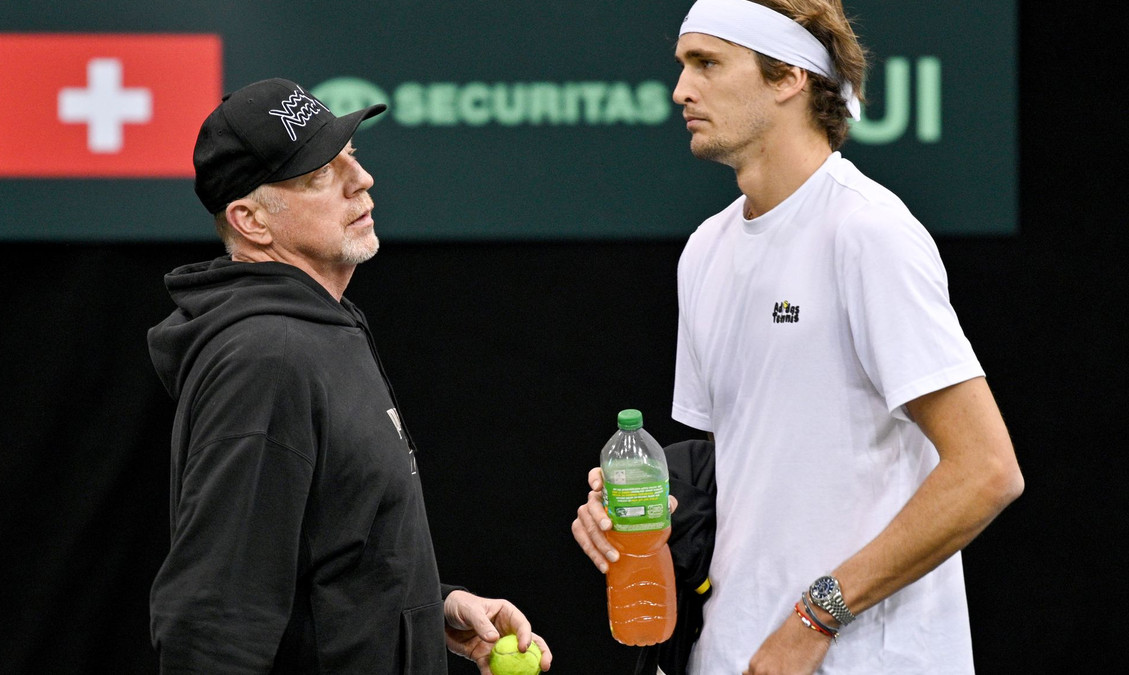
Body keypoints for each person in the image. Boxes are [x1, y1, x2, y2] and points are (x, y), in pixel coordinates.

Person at [572, 1, 1024, 674]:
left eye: (707, 63)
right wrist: (645, 507)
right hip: (730, 656)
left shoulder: (868, 232)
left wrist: (817, 614)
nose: (680, 90)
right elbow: (745, 468)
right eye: (682, 65)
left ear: (788, 79)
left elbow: (986, 471)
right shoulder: (704, 252)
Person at [147, 78, 552, 675]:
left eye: (351, 157)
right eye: (318, 174)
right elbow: (213, 621)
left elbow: (329, 549)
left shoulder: (321, 327)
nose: (360, 180)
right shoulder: (267, 358)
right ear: (251, 220)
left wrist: (426, 612)